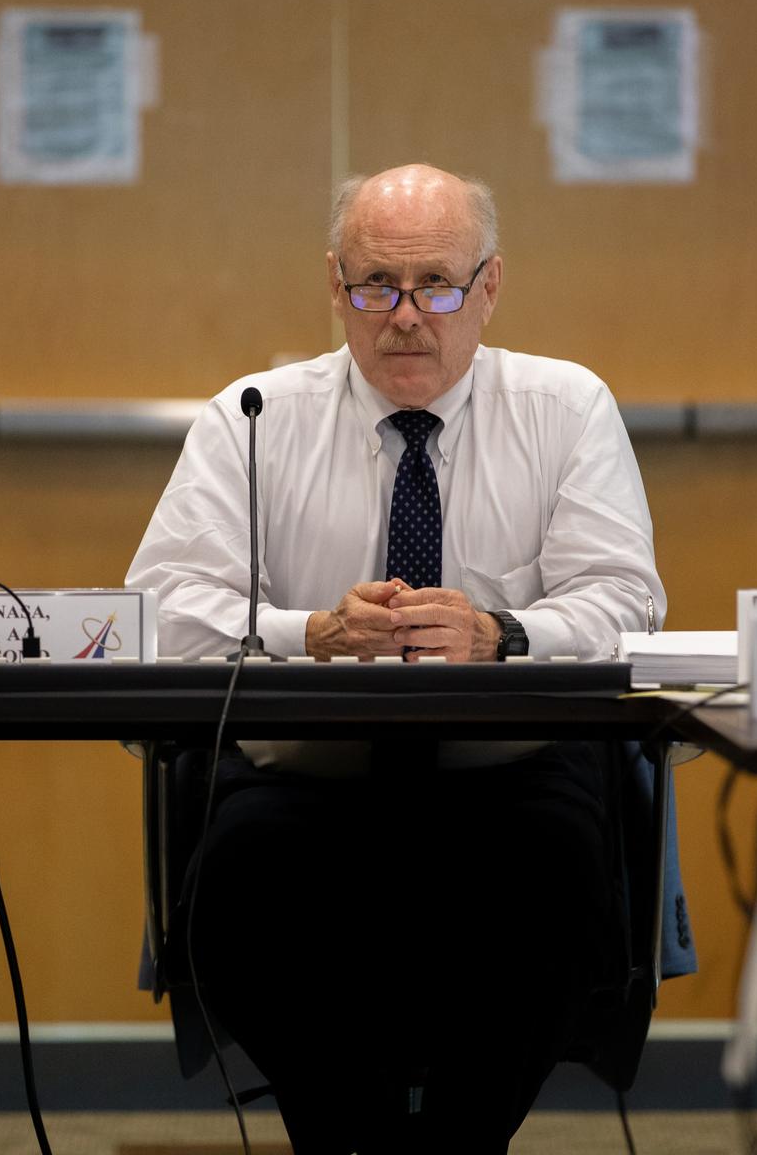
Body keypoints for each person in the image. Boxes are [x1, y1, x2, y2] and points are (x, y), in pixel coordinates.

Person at [126, 164, 668, 1153]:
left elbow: (625, 599)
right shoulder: (251, 416)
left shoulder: (564, 406)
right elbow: (161, 613)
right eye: (377, 285)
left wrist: (502, 633)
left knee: (560, 876)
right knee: (241, 881)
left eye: (438, 286)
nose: (406, 316)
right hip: (303, 777)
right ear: (336, 286)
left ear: (490, 287)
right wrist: (308, 635)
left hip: (510, 774)